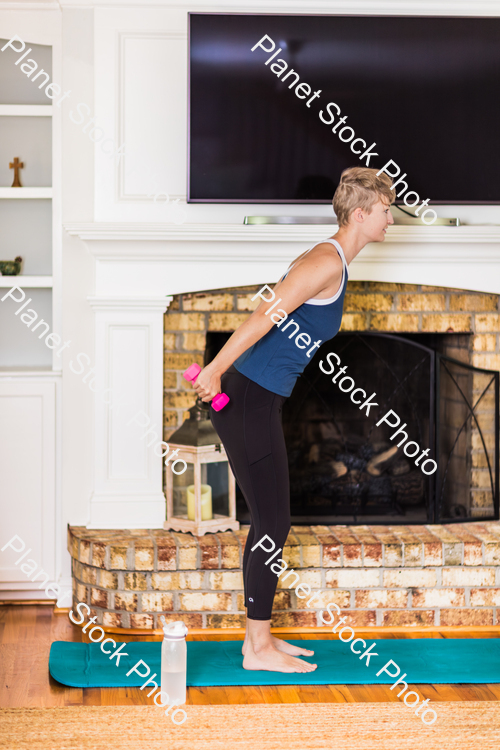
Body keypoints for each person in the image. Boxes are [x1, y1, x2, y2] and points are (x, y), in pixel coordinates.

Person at [192, 166, 395, 673]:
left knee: (270, 521)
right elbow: (265, 314)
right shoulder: (326, 260)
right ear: (362, 213)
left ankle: (260, 640)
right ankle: (255, 649)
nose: (391, 218)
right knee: (272, 523)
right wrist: (215, 369)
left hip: (260, 399)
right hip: (247, 399)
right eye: (386, 209)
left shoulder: (336, 261)